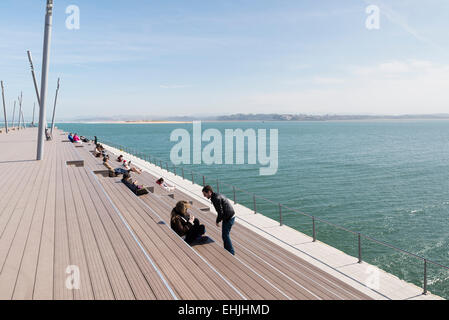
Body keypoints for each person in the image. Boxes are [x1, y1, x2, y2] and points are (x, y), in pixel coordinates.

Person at [202, 185, 235, 255]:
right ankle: (227, 250)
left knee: (225, 235)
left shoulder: (215, 198)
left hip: (229, 217)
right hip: (229, 215)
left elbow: (220, 212)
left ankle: (231, 252)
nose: (204, 196)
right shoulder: (216, 195)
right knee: (225, 235)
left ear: (209, 192)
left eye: (205, 194)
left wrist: (217, 221)